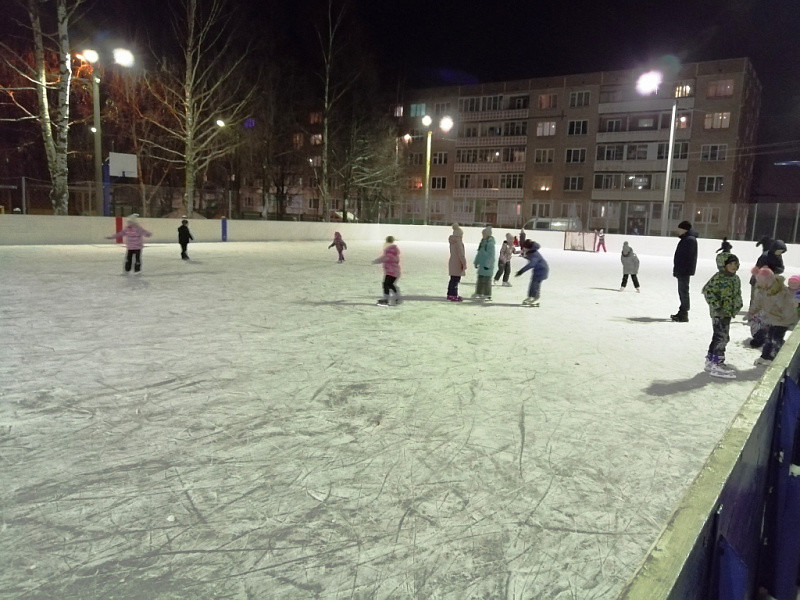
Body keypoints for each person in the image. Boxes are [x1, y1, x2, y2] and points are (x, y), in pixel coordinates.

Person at [701, 255, 743, 378]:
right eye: (730, 264)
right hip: (719, 313)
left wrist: (738, 304)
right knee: (722, 337)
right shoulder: (719, 278)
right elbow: (707, 291)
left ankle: (710, 359)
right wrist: (717, 305)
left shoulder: (735, 279)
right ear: (723, 265)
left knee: (718, 336)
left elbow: (737, 293)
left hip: (728, 312)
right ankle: (717, 362)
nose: (733, 267)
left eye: (735, 264)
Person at [749, 267, 798, 366]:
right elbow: (758, 301)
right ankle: (764, 356)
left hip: (782, 320)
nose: (760, 283)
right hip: (772, 319)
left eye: (761, 281)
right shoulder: (763, 289)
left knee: (776, 339)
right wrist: (752, 311)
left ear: (768, 280)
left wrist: (787, 320)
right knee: (768, 337)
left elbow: (787, 307)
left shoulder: (780, 291)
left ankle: (774, 357)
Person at [670, 220, 698, 322]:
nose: (677, 231)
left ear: (684, 229)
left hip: (684, 271)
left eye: (679, 229)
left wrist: (680, 270)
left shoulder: (689, 240)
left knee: (683, 291)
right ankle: (682, 312)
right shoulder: (686, 239)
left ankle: (683, 313)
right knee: (682, 291)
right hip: (682, 270)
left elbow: (687, 258)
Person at [515, 239, 549, 306]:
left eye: (525, 247)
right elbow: (530, 258)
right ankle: (533, 297)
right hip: (538, 270)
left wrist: (521, 271)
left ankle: (533, 297)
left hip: (541, 270)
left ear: (529, 247)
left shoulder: (534, 253)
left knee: (535, 284)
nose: (524, 248)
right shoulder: (532, 251)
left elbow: (531, 264)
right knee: (534, 283)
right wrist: (524, 255)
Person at [373, 235, 401, 306]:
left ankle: (386, 300)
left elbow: (386, 258)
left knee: (386, 284)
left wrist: (376, 261)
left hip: (391, 271)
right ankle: (397, 297)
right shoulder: (394, 249)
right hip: (394, 271)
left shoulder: (389, 249)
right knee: (390, 284)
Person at [472, 225, 496, 301]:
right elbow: (479, 253)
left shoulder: (490, 244)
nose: (483, 236)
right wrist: (476, 262)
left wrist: (488, 265)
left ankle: (487, 294)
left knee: (487, 280)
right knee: (480, 279)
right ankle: (478, 292)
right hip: (482, 264)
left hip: (487, 266)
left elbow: (491, 256)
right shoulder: (482, 242)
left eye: (484, 234)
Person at [447, 224, 467, 301]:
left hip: (452, 261)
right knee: (456, 280)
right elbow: (461, 254)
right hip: (457, 263)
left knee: (452, 279)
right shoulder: (458, 242)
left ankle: (450, 294)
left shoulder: (452, 241)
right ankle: (453, 294)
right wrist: (464, 263)